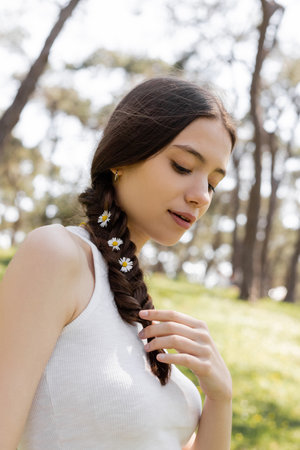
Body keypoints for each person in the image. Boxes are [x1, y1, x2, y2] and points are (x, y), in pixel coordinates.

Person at [0, 76, 236, 450]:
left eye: (212, 182)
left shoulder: (134, 300)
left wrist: (220, 399)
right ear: (123, 158)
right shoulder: (57, 256)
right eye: (182, 165)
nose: (200, 196)